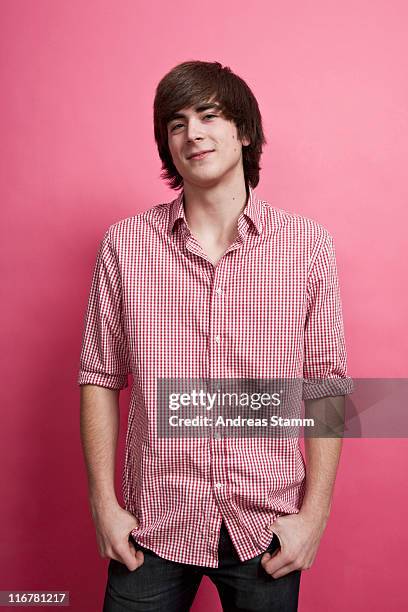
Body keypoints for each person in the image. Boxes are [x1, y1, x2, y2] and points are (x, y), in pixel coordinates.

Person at [78, 60, 354, 611]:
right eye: (176, 123)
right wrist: (103, 503)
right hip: (152, 524)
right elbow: (99, 376)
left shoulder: (307, 247)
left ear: (244, 131)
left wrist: (315, 513)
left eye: (209, 115)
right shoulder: (124, 245)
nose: (192, 134)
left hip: (265, 525)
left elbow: (326, 386)